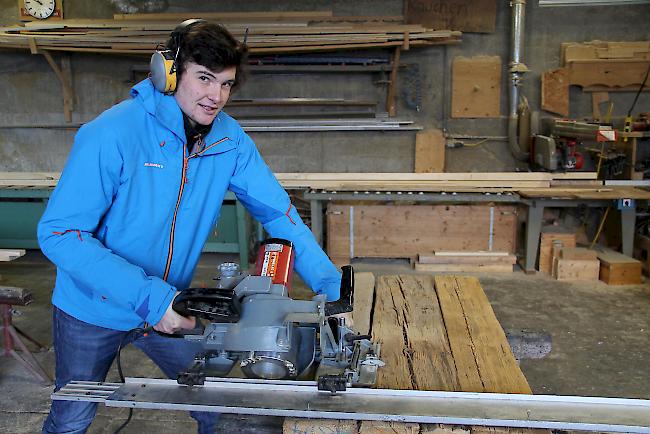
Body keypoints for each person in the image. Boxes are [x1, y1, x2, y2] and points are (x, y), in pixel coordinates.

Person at [38, 20, 342, 434]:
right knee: (73, 415)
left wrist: (330, 286)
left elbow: (277, 213)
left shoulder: (229, 141)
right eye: (203, 78)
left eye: (226, 84)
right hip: (93, 309)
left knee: (223, 406)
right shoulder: (111, 134)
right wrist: (151, 299)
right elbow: (59, 234)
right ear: (169, 72)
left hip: (174, 306)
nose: (215, 96)